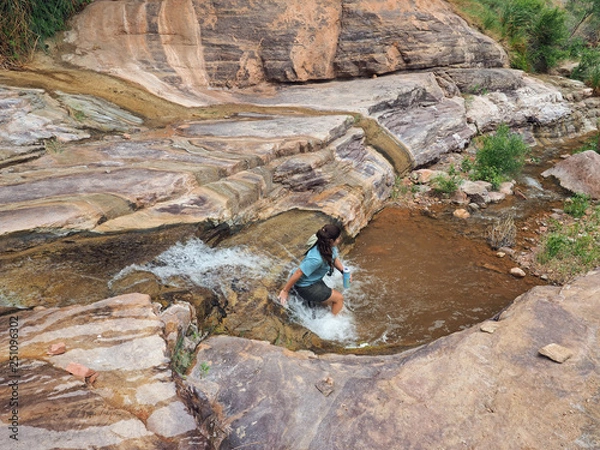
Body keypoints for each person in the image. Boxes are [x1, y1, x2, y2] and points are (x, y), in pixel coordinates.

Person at [278, 224, 347, 315]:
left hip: (313, 280)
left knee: (328, 303)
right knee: (339, 298)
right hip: (305, 286)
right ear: (331, 241)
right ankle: (333, 323)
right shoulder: (316, 259)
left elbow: (333, 257)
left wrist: (343, 271)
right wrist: (285, 291)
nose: (340, 239)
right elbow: (298, 272)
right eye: (338, 238)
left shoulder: (324, 242)